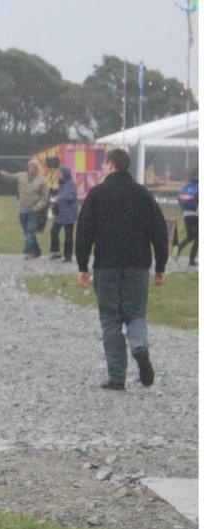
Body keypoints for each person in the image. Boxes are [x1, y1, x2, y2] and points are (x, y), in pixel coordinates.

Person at [76, 148, 168, 391]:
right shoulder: (142, 194)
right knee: (135, 314)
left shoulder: (97, 194)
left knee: (110, 320)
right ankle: (139, 346)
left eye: (104, 163)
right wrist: (161, 265)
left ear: (110, 164)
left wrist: (82, 265)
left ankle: (117, 377)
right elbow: (159, 230)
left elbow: (84, 231)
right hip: (138, 265)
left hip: (107, 265)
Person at [0, 160, 48, 259]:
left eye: (33, 167)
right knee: (27, 232)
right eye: (30, 167)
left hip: (34, 210)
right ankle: (37, 251)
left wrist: (38, 206)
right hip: (22, 209)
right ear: (28, 167)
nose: (31, 169)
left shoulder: (42, 181)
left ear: (37, 168)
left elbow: (45, 198)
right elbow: (10, 176)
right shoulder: (21, 176)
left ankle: (28, 252)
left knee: (30, 231)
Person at [49, 166, 79, 262]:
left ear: (65, 174)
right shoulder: (60, 182)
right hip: (60, 212)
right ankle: (56, 252)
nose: (59, 174)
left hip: (69, 213)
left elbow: (72, 197)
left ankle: (68, 256)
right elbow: (56, 193)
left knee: (68, 235)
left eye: (60, 173)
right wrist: (53, 191)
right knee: (54, 231)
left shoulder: (71, 184)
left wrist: (59, 198)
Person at [176, 167, 198, 266]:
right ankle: (192, 260)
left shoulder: (187, 186)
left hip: (186, 214)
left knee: (190, 237)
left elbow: (179, 199)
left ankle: (177, 251)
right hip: (196, 214)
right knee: (198, 238)